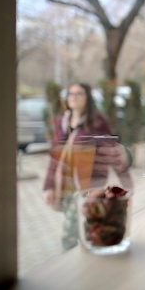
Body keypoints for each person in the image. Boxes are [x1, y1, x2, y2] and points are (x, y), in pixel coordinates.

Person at [43, 82, 133, 251]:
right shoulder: (62, 122)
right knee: (80, 225)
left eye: (79, 94)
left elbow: (112, 152)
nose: (74, 97)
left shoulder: (96, 123)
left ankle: (72, 261)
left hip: (87, 187)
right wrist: (48, 186)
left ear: (88, 98)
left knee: (71, 231)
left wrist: (127, 184)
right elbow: (54, 158)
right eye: (71, 94)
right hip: (65, 185)